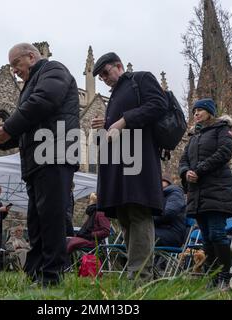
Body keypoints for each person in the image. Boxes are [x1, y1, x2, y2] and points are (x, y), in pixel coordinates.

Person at [0, 43, 79, 286]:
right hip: (36, 161)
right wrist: (0, 138)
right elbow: (26, 125)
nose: (14, 70)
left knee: (52, 218)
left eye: (17, 63)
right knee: (36, 221)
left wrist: (6, 128)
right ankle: (35, 274)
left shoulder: (53, 70)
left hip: (55, 153)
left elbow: (42, 101)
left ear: (31, 56)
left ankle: (52, 276)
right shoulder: (29, 85)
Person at [91, 52, 169, 283]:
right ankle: (141, 273)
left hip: (139, 158)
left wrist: (123, 120)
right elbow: (114, 131)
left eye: (106, 72)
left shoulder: (141, 79)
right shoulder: (115, 95)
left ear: (119, 66)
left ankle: (141, 277)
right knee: (124, 216)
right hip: (116, 163)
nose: (104, 78)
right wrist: (104, 125)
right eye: (101, 76)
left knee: (138, 212)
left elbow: (158, 105)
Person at [179, 98, 232, 290]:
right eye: (194, 111)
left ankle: (225, 278)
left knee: (217, 233)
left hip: (217, 190)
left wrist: (200, 170)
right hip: (197, 194)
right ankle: (212, 279)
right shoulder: (194, 137)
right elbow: (184, 159)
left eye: (200, 110)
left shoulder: (222, 129)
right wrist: (186, 172)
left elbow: (225, 152)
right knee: (206, 237)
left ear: (210, 112)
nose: (196, 113)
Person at [154, 175, 187, 248]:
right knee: (129, 234)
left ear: (167, 182)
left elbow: (169, 213)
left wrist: (149, 219)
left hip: (172, 233)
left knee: (141, 236)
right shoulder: (157, 196)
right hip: (160, 231)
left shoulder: (175, 192)